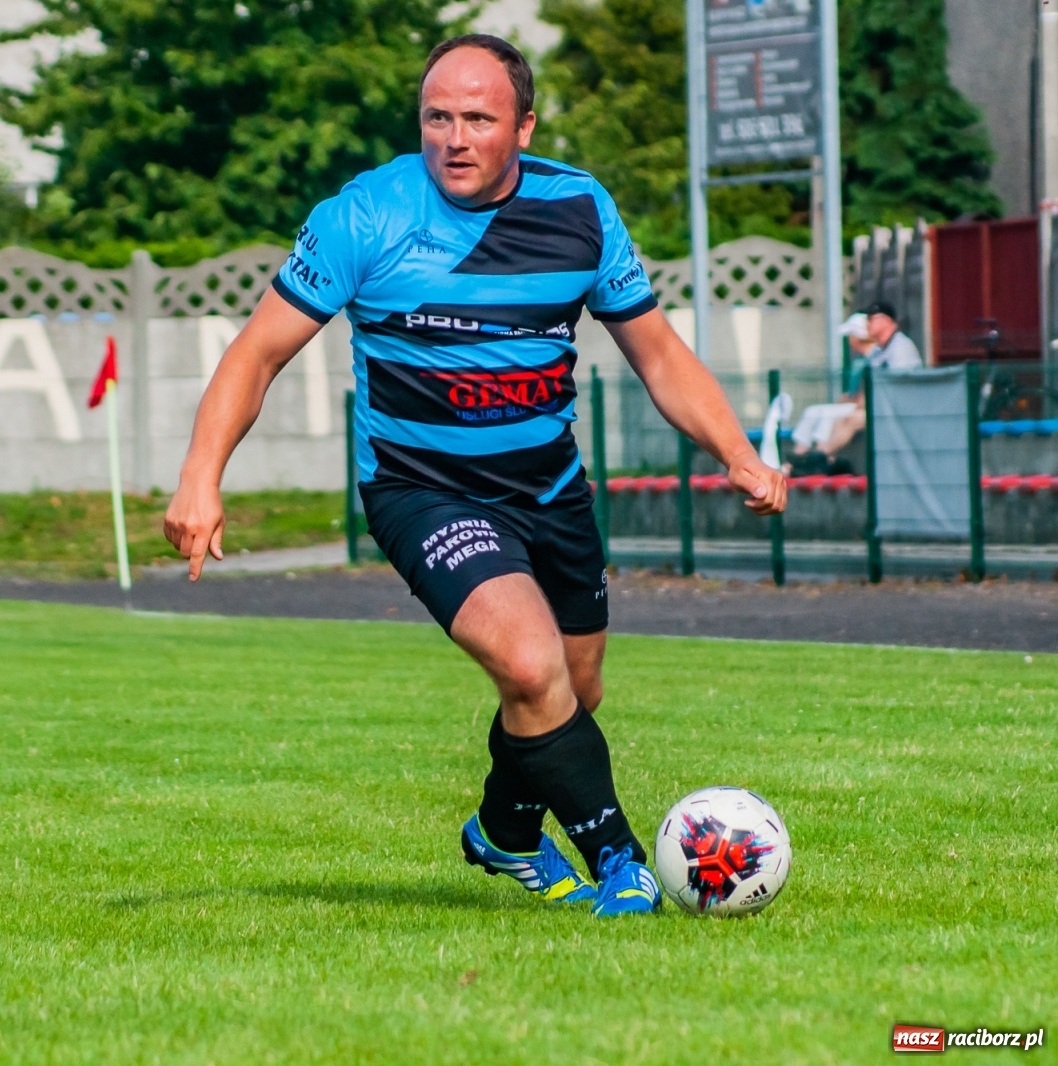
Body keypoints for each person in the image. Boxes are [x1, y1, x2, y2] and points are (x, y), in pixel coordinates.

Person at [164, 34, 786, 919]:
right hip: (422, 489)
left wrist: (737, 453)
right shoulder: (364, 215)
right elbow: (255, 355)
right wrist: (201, 474)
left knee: (576, 686)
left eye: (479, 119)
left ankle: (503, 832)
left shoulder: (581, 210)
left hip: (547, 487)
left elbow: (659, 353)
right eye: (437, 117)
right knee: (532, 669)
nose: (454, 138)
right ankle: (622, 860)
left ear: (523, 127)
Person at [786, 313, 876, 469]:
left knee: (828, 415)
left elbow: (864, 396)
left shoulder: (873, 358)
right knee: (813, 411)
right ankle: (796, 458)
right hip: (855, 404)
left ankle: (820, 459)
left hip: (861, 407)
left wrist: (851, 400)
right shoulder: (860, 360)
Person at [863, 300, 922, 370]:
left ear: (886, 320)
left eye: (870, 319)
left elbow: (900, 380)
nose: (867, 324)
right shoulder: (877, 350)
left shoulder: (901, 348)